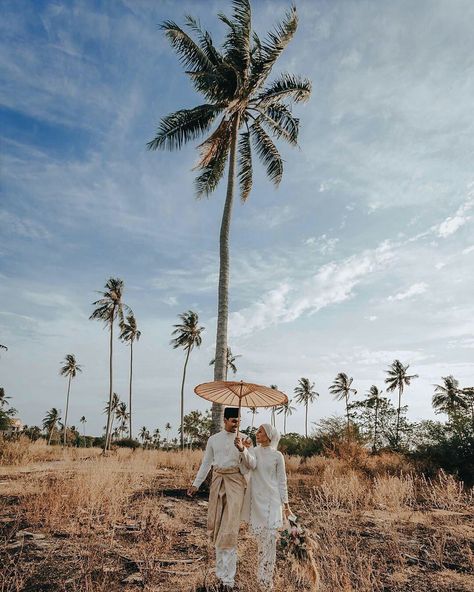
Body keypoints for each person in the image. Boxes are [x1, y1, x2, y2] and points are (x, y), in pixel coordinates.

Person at [187, 407, 255, 590]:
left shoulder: (246, 440)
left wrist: (243, 450)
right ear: (225, 420)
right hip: (217, 483)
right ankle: (219, 575)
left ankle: (228, 580)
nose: (236, 424)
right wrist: (196, 484)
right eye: (233, 420)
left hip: (235, 484)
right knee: (217, 527)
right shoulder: (213, 440)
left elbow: (252, 465)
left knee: (230, 529)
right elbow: (206, 463)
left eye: (239, 420)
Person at [243, 423, 292, 590]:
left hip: (272, 501)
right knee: (261, 542)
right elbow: (248, 466)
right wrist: (244, 450)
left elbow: (281, 481)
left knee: (270, 540)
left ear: (269, 436)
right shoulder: (253, 451)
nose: (257, 433)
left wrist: (286, 505)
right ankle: (261, 579)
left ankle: (266, 583)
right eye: (257, 431)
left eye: (261, 431)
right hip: (256, 502)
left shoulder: (277, 455)